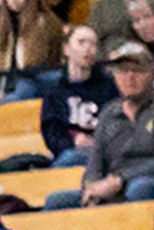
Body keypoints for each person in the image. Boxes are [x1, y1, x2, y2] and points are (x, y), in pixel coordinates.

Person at [35, 22, 111, 169]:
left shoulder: (109, 87)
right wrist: (72, 141)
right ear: (66, 49)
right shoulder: (54, 90)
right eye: (81, 42)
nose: (88, 49)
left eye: (93, 44)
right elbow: (51, 130)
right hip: (69, 152)